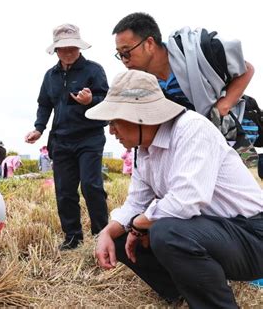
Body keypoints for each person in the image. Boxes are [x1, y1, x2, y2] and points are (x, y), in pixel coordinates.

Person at [85, 70, 262, 308]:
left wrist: (139, 225)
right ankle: (181, 292)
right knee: (121, 233)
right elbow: (136, 203)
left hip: (252, 234)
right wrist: (107, 232)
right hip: (212, 232)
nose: (111, 131)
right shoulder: (143, 150)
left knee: (167, 232)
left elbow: (187, 199)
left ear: (139, 116)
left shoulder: (192, 129)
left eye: (114, 121)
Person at [25, 23, 109, 250]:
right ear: (56, 51)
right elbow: (44, 104)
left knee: (91, 186)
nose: (68, 52)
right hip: (61, 139)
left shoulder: (94, 70)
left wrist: (90, 100)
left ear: (79, 47)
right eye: (63, 48)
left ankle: (102, 234)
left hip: (89, 137)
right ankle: (73, 237)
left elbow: (107, 102)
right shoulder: (50, 76)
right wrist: (38, 129)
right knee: (64, 190)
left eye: (72, 47)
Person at [112, 12, 254, 121]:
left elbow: (246, 69)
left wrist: (225, 104)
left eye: (126, 52)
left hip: (239, 133)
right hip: (202, 143)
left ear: (149, 43)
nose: (124, 60)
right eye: (120, 54)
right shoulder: (147, 84)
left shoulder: (195, 52)